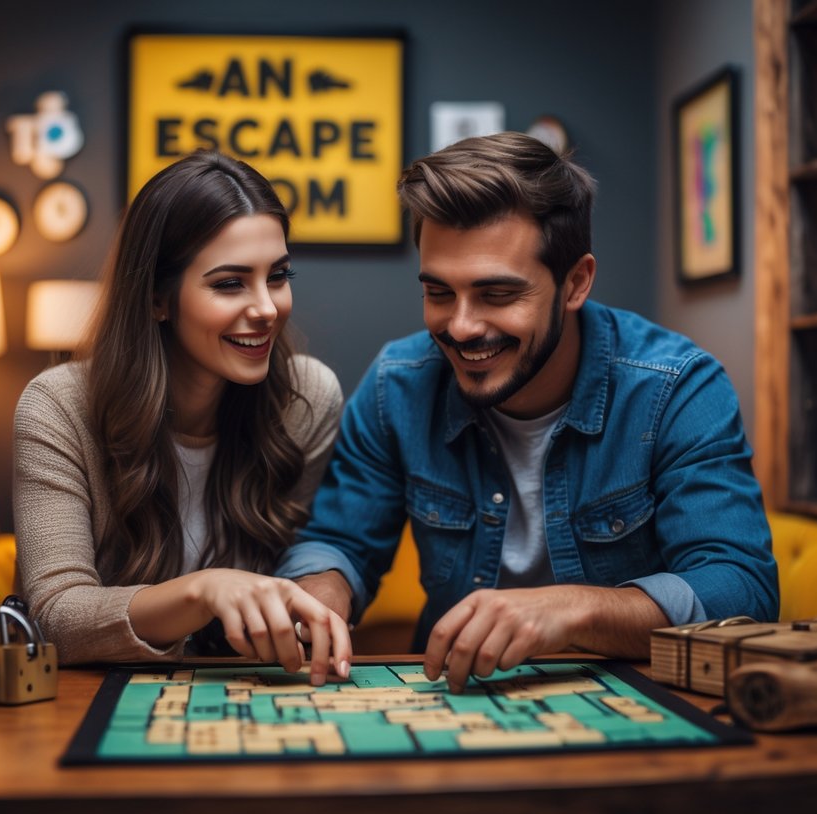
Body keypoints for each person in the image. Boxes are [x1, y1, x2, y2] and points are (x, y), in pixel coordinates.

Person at [278, 132, 777, 692]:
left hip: (638, 708)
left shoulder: (676, 387)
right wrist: (319, 590)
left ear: (575, 283)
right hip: (454, 698)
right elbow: (341, 542)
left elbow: (742, 590)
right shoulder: (398, 385)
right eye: (439, 292)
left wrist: (573, 611)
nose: (461, 327)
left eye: (497, 295)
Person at [13, 150, 351, 685]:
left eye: (278, 276)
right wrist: (204, 589)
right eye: (229, 283)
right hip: (94, 705)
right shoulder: (57, 407)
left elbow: (303, 562)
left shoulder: (306, 397)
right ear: (156, 298)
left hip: (246, 698)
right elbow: (55, 616)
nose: (267, 308)